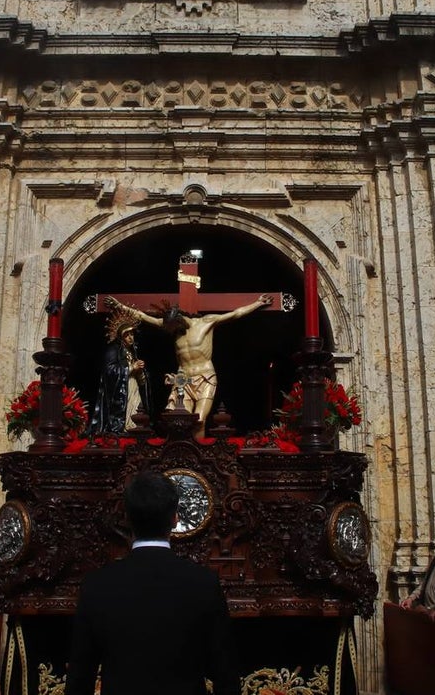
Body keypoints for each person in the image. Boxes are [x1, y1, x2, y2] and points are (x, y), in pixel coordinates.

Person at [66, 471, 238, 695]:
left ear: (126, 518)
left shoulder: (96, 585)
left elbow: (80, 679)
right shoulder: (204, 583)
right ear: (175, 518)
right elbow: (226, 675)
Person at [106, 294, 271, 437]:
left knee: (199, 420)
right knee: (178, 420)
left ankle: (198, 462)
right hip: (183, 379)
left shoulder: (206, 322)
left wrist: (257, 303)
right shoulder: (171, 326)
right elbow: (142, 316)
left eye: (172, 329)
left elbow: (236, 314)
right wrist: (119, 306)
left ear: (180, 321)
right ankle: (178, 458)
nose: (170, 332)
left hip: (205, 376)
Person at [89, 308, 152, 436]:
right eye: (127, 335)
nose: (130, 337)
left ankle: (134, 427)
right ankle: (125, 427)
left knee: (137, 407)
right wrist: (130, 369)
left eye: (132, 334)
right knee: (128, 409)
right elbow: (109, 371)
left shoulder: (133, 352)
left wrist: (141, 373)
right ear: (121, 336)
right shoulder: (113, 350)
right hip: (121, 390)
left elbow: (139, 376)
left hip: (133, 386)